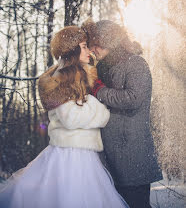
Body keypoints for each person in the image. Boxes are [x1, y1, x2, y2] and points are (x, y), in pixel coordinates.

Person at [0, 25, 129, 208]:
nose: (88, 50)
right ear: (72, 49)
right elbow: (71, 118)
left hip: (85, 155)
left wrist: (92, 107)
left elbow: (84, 113)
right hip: (69, 156)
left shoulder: (83, 75)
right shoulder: (60, 79)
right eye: (84, 46)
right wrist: (98, 108)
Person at [82, 20, 163, 208]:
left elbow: (133, 98)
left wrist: (99, 91)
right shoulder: (102, 67)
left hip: (131, 153)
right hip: (108, 154)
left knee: (135, 203)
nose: (92, 49)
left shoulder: (136, 63)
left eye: (95, 43)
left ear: (107, 41)